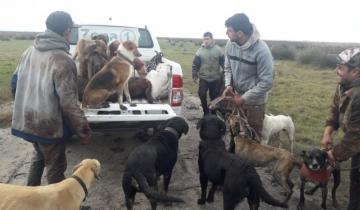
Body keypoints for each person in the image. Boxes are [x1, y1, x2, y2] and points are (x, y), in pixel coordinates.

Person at [11, 11, 91, 186]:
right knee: (55, 169)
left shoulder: (29, 51)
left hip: (28, 120)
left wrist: (25, 106)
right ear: (66, 31)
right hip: (48, 125)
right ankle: (58, 204)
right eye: (71, 30)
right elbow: (69, 103)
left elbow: (14, 82)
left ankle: (29, 198)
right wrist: (83, 129)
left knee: (39, 157)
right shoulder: (63, 60)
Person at [222, 13, 274, 141]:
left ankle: (251, 161)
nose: (226, 33)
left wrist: (244, 98)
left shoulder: (262, 51)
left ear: (240, 33)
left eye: (229, 31)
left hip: (255, 103)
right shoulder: (230, 44)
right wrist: (228, 85)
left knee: (253, 136)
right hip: (236, 97)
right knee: (235, 131)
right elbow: (227, 67)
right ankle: (235, 158)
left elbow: (266, 82)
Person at [321, 48, 360, 210]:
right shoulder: (343, 86)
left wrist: (333, 154)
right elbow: (335, 110)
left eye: (341, 68)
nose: (337, 71)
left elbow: (355, 137)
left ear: (356, 71)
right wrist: (327, 132)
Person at [192, 32, 224, 116]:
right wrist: (194, 74)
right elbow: (195, 64)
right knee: (202, 94)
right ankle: (205, 112)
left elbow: (224, 64)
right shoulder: (200, 51)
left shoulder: (218, 50)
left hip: (215, 78)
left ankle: (213, 114)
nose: (205, 41)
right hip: (204, 78)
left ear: (212, 39)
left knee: (214, 97)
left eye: (207, 39)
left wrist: (225, 75)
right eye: (204, 39)